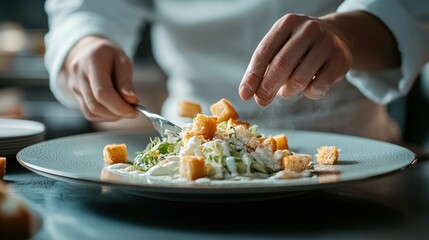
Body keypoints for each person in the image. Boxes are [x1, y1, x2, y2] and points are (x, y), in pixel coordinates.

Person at [43, 0, 429, 142]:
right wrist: (85, 43)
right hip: (184, 150)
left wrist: (347, 33)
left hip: (353, 157)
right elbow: (87, 9)